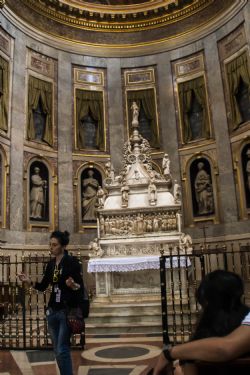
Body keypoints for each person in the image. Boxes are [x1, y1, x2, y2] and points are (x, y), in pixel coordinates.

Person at [152, 270, 250, 375]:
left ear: (206, 302)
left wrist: (170, 354)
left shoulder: (197, 345)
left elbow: (225, 349)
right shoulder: (244, 318)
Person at [18, 231, 84, 375]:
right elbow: (42, 286)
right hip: (52, 310)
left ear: (63, 246)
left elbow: (80, 287)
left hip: (66, 311)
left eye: (54, 245)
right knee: (57, 350)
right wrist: (28, 281)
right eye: (50, 244)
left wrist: (72, 285)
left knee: (62, 349)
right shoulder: (51, 264)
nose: (51, 247)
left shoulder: (72, 262)